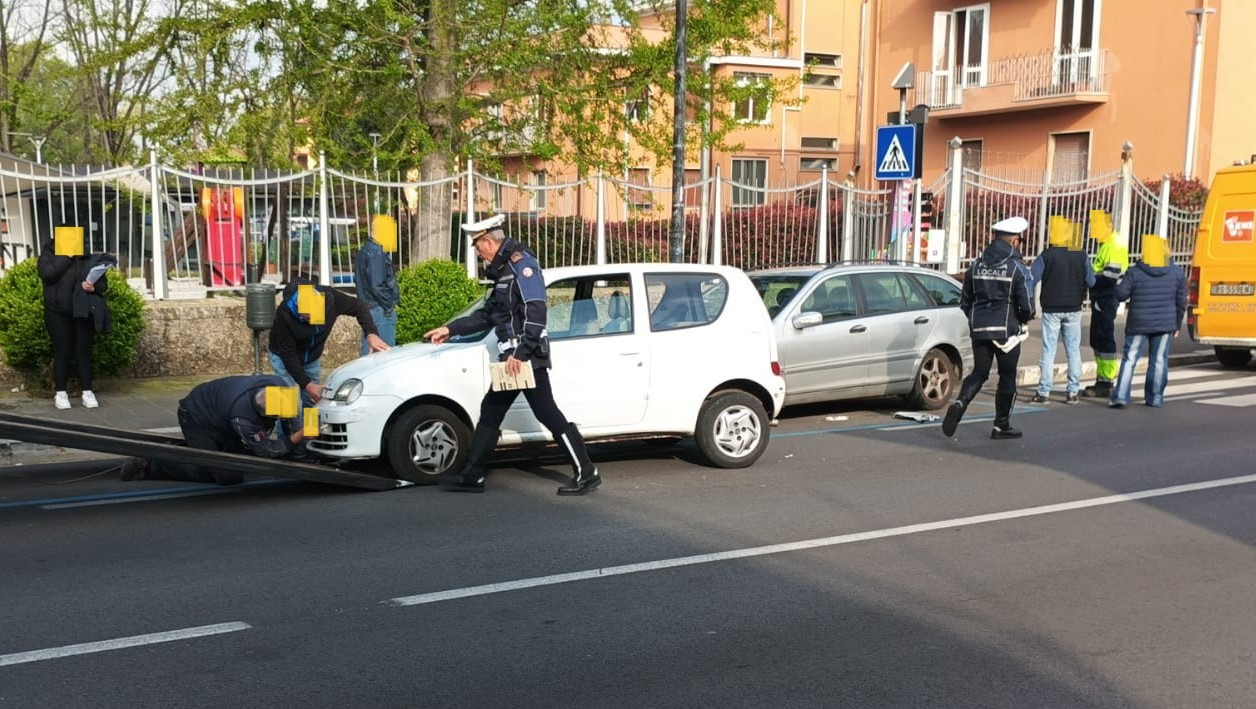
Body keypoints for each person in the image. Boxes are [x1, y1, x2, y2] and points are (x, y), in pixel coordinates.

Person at [423, 214, 601, 496]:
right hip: (512, 359)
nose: (477, 252)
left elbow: (536, 311)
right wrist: (450, 329)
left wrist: (522, 352)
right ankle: (473, 475)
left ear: (489, 242)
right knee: (492, 410)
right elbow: (488, 315)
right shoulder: (503, 271)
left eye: (477, 246)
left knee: (546, 413)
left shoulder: (522, 266)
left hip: (525, 358)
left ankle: (586, 472)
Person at [119, 375, 310, 485]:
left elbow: (292, 419)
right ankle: (152, 463)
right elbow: (265, 451)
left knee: (242, 458)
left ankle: (191, 449)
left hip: (220, 415)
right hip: (196, 418)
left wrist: (302, 454)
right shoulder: (243, 418)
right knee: (227, 476)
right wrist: (298, 437)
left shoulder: (278, 385)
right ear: (263, 413)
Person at [942, 216, 1036, 440]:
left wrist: (975, 321)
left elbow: (965, 301)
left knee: (979, 372)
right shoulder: (1017, 268)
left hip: (979, 329)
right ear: (1014, 241)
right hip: (1006, 333)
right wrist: (1022, 320)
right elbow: (1028, 305)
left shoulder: (976, 265)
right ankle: (1001, 425)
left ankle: (960, 402)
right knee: (1007, 376)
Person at [268, 277, 390, 406]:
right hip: (282, 357)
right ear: (298, 309)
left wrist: (371, 333)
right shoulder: (284, 314)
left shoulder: (331, 298)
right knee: (286, 403)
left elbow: (359, 307)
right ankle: (283, 419)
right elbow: (288, 353)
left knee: (313, 400)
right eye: (307, 318)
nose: (312, 321)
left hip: (312, 356)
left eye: (316, 315)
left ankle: (310, 420)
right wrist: (307, 384)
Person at [1108, 235, 1187, 409]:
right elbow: (1181, 301)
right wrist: (1177, 324)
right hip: (1165, 323)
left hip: (1139, 322)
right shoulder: (1177, 273)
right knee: (1159, 360)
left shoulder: (1135, 271)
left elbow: (1121, 294)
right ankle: (1155, 397)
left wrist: (1117, 282)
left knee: (1130, 359)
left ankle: (1120, 396)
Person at [37, 235, 115, 410]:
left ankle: (87, 391)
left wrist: (93, 287)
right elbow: (48, 275)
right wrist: (66, 256)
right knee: (63, 352)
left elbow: (102, 284)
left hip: (82, 311)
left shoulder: (87, 258)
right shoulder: (48, 255)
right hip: (57, 312)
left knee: (83, 353)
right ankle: (61, 393)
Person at [1029, 220, 1094, 405]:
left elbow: (1032, 278)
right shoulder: (1081, 255)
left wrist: (1028, 302)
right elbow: (1091, 281)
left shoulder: (1046, 255)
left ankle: (1044, 392)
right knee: (1073, 351)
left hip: (1051, 309)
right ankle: (1073, 392)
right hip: (1074, 308)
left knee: (1049, 350)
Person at [1081, 213, 1130, 398]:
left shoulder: (1113, 246)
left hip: (1106, 297)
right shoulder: (1108, 244)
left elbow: (1110, 276)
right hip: (1103, 297)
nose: (1094, 231)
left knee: (1103, 337)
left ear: (1109, 226)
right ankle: (1103, 379)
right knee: (1098, 338)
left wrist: (1090, 281)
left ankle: (1106, 381)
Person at [353, 229, 399, 355]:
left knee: (369, 352)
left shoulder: (363, 251)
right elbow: (377, 286)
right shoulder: (377, 253)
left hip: (368, 308)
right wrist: (389, 306)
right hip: (379, 309)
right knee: (385, 354)